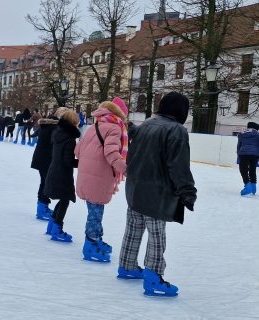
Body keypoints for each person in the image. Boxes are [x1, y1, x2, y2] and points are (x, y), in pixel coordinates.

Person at [118, 92, 196, 297]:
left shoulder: (148, 123)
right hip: (156, 192)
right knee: (156, 235)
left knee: (133, 229)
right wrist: (188, 191)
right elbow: (178, 165)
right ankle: (153, 277)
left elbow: (132, 154)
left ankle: (127, 266)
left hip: (135, 188)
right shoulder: (176, 130)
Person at [74, 98, 129, 263]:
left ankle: (96, 239)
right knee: (95, 213)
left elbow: (78, 150)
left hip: (87, 173)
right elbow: (111, 153)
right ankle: (90, 245)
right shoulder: (114, 128)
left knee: (94, 210)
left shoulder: (94, 125)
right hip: (98, 175)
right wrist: (125, 168)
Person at [43, 110, 80, 242]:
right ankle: (57, 228)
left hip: (54, 169)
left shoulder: (58, 132)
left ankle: (52, 225)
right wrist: (82, 163)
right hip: (62, 173)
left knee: (63, 199)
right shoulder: (69, 139)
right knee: (65, 199)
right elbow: (68, 160)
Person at [30, 108, 63, 220]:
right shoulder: (55, 128)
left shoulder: (47, 124)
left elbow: (36, 134)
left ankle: (41, 206)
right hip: (46, 159)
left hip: (41, 158)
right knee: (46, 183)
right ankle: (42, 208)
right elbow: (56, 143)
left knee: (44, 182)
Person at [237, 122, 259, 195]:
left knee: (243, 170)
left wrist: (238, 154)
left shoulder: (241, 134)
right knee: (252, 170)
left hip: (243, 153)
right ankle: (253, 187)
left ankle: (247, 185)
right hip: (255, 154)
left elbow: (239, 145)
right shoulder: (257, 134)